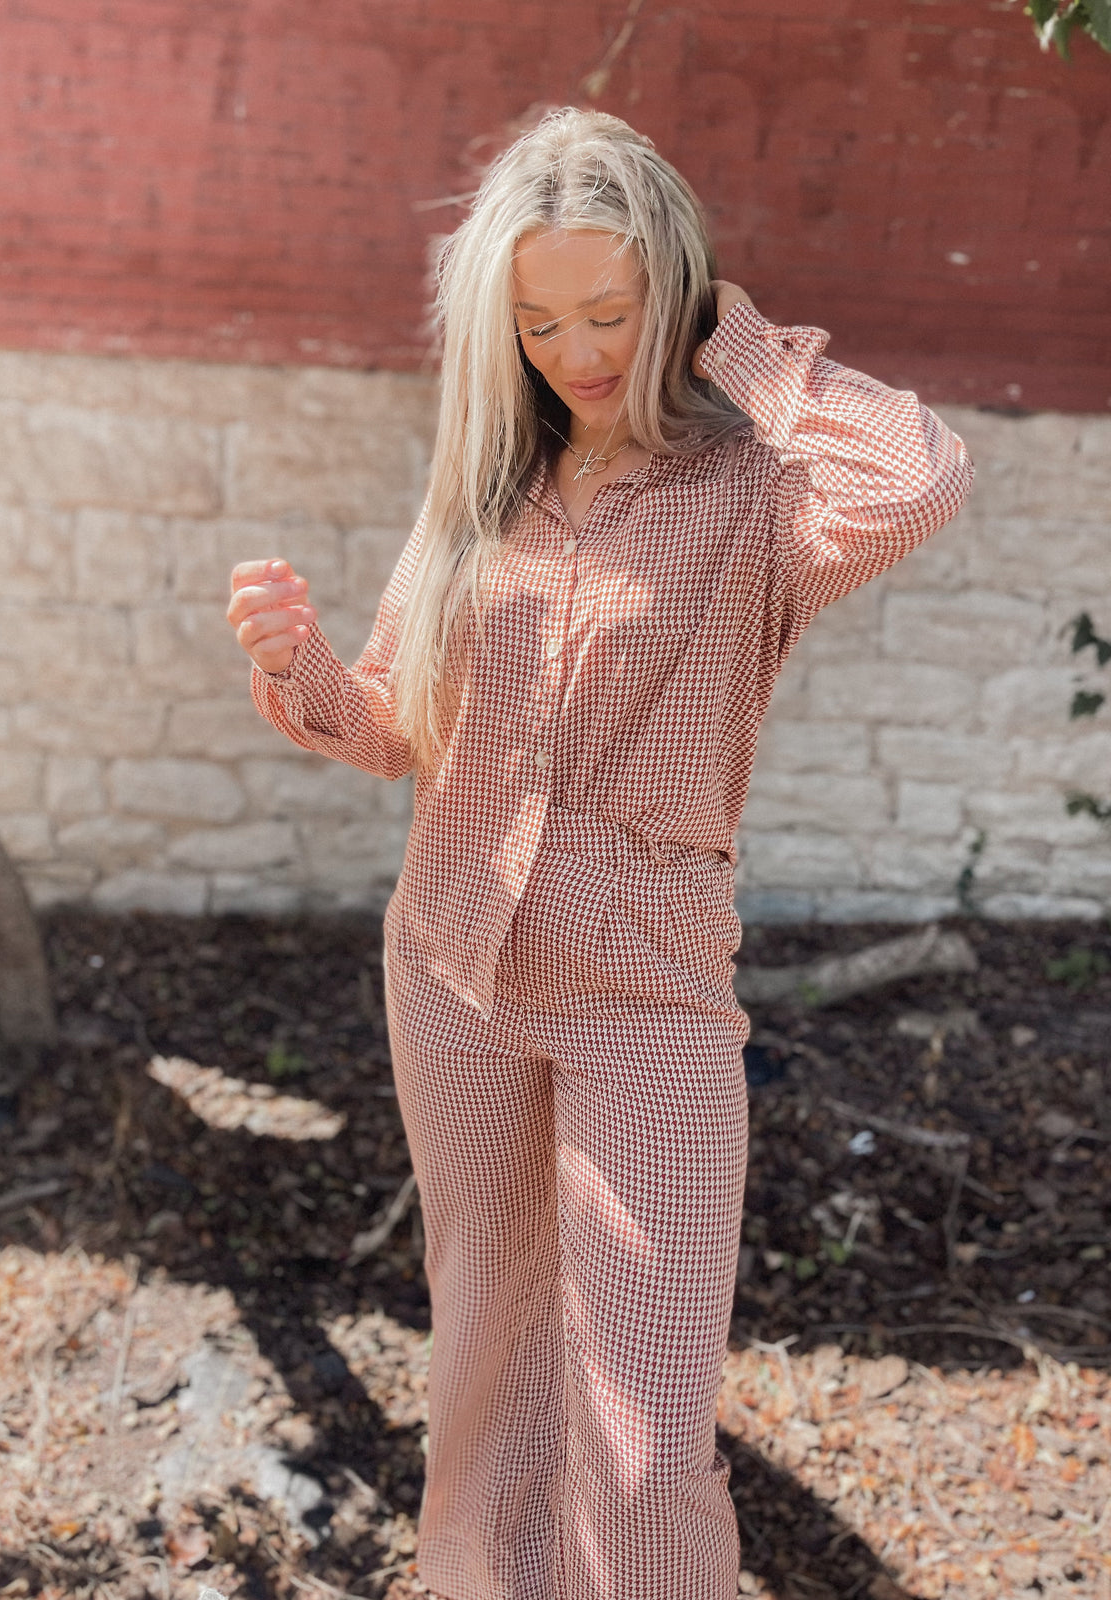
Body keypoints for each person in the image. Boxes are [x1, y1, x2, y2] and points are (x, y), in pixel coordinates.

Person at [227, 108, 973, 1600]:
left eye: (612, 309)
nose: (574, 349)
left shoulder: (759, 497)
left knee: (638, 1449)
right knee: (490, 1381)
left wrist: (733, 340)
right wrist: (298, 664)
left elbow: (918, 479)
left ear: (675, 293)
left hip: (649, 997)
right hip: (452, 973)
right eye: (538, 319)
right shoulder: (486, 495)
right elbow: (391, 725)